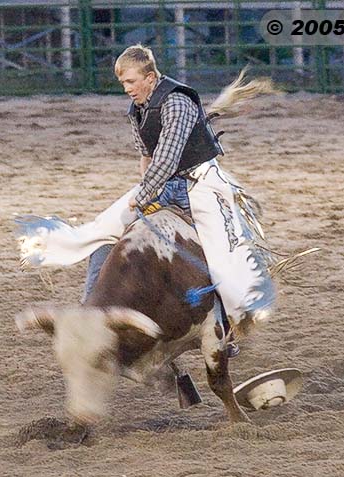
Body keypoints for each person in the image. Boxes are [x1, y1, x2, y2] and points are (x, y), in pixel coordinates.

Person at [16, 45, 276, 355]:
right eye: (123, 84)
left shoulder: (177, 102)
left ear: (150, 78)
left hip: (202, 184)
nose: (126, 90)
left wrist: (143, 196)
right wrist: (145, 191)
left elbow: (166, 160)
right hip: (161, 184)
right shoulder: (137, 110)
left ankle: (230, 329)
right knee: (103, 232)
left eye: (130, 82)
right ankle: (93, 309)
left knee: (224, 256)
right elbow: (148, 156)